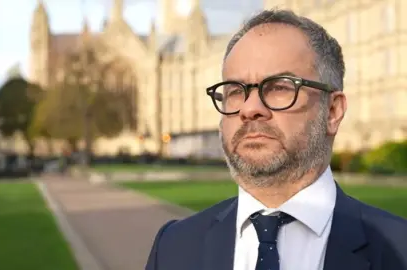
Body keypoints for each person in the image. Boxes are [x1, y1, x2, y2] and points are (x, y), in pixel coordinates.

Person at [145, 8, 407, 270]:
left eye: (280, 87)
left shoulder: (399, 250)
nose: (249, 109)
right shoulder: (173, 247)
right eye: (236, 91)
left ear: (332, 111)